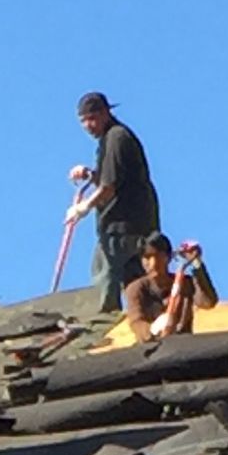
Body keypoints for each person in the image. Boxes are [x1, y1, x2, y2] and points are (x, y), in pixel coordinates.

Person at [70, 93, 160, 313]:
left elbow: (109, 187)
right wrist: (91, 174)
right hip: (139, 224)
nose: (87, 125)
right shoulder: (110, 139)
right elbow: (115, 177)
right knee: (137, 279)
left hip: (122, 226)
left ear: (105, 113)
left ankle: (105, 325)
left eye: (91, 118)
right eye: (83, 121)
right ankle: (145, 319)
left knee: (105, 273)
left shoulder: (116, 138)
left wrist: (83, 208)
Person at [124, 233, 218, 343]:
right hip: (152, 349)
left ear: (168, 258)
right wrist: (153, 329)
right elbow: (136, 322)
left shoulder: (185, 283)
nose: (153, 264)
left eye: (158, 257)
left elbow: (207, 302)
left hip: (183, 346)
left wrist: (197, 264)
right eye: (147, 258)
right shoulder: (136, 288)